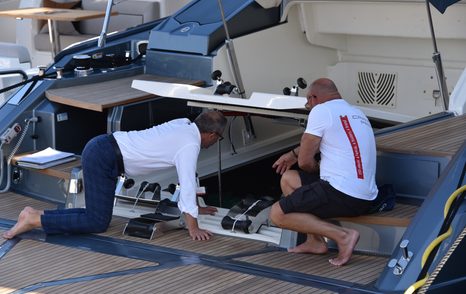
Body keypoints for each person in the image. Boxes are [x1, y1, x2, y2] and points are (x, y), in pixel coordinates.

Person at [3, 110, 227, 241]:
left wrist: (196, 207)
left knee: (95, 214)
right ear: (211, 134)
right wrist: (193, 226)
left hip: (104, 148)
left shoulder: (184, 126)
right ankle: (35, 220)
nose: (216, 142)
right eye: (219, 138)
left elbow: (188, 174)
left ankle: (33, 214)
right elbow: (187, 183)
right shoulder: (189, 144)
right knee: (97, 221)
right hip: (105, 156)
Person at [270, 78, 378, 266]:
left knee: (277, 214)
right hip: (365, 197)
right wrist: (292, 154)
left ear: (314, 97)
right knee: (289, 179)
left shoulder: (321, 110)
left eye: (307, 103)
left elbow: (305, 163)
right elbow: (328, 141)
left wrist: (316, 169)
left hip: (341, 193)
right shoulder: (356, 113)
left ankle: (343, 236)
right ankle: (315, 241)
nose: (308, 107)